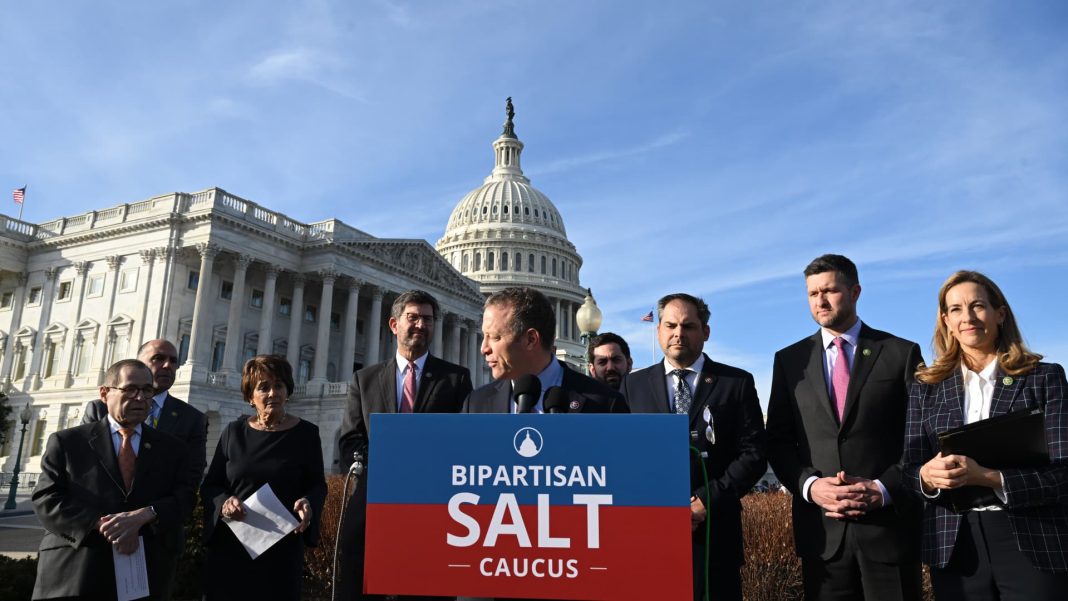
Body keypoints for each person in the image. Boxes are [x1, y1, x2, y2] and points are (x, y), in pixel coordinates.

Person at [765, 254, 924, 600]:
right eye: (812, 293)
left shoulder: (900, 353)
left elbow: (920, 437)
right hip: (822, 537)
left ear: (855, 292)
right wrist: (809, 486)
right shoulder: (789, 361)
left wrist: (883, 489)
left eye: (830, 290)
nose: (820, 301)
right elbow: (777, 440)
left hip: (888, 529)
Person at [903, 271, 1068, 600]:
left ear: (1000, 314)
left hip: (1031, 539)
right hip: (956, 547)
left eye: (977, 306)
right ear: (946, 320)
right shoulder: (927, 388)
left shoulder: (1044, 379)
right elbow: (908, 469)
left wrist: (991, 478)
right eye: (955, 309)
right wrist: (925, 476)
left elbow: (1063, 473)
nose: (967, 317)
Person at [620, 293, 765, 601]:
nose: (678, 333)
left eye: (688, 326)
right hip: (651, 535)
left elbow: (754, 454)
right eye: (670, 325)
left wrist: (704, 501)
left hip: (714, 536)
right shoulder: (633, 386)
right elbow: (623, 457)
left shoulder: (735, 383)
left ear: (705, 332)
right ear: (658, 330)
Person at [337, 290, 473, 600]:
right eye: (413, 317)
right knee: (362, 584)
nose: (421, 325)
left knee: (425, 588)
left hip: (433, 505)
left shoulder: (456, 379)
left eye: (427, 319)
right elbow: (350, 440)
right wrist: (385, 469)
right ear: (394, 324)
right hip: (375, 501)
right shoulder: (365, 379)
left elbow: (464, 439)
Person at [32, 359, 194, 600]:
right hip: (75, 570)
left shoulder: (173, 449)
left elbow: (186, 498)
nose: (140, 398)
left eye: (147, 390)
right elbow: (47, 498)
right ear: (105, 393)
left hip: (144, 574)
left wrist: (145, 514)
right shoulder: (67, 442)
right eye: (130, 389)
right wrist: (103, 525)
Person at [200, 355, 327, 601]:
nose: (273, 393)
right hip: (232, 547)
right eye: (263, 387)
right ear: (250, 397)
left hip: (281, 550)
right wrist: (225, 502)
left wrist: (308, 502)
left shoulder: (307, 434)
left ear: (287, 390)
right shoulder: (233, 433)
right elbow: (211, 485)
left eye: (278, 385)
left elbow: (317, 485)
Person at [464, 287, 628, 414]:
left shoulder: (606, 404)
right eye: (484, 336)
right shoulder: (476, 404)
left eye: (495, 337)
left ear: (531, 339)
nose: (483, 348)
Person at [83, 339, 208, 487]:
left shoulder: (193, 419)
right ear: (138, 363)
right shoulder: (101, 409)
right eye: (158, 358)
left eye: (173, 361)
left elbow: (191, 478)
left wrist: (153, 510)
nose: (168, 365)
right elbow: (82, 465)